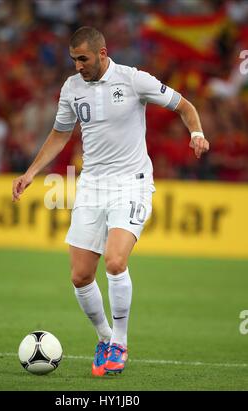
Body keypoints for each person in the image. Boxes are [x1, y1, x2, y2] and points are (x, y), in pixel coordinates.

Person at [12, 26, 209, 376]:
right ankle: (104, 337)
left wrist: (196, 133)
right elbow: (60, 134)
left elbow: (185, 105)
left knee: (115, 262)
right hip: (91, 187)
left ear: (102, 54)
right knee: (80, 275)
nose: (77, 66)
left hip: (131, 185)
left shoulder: (135, 80)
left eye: (83, 59)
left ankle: (119, 342)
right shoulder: (72, 88)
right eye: (73, 60)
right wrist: (30, 173)